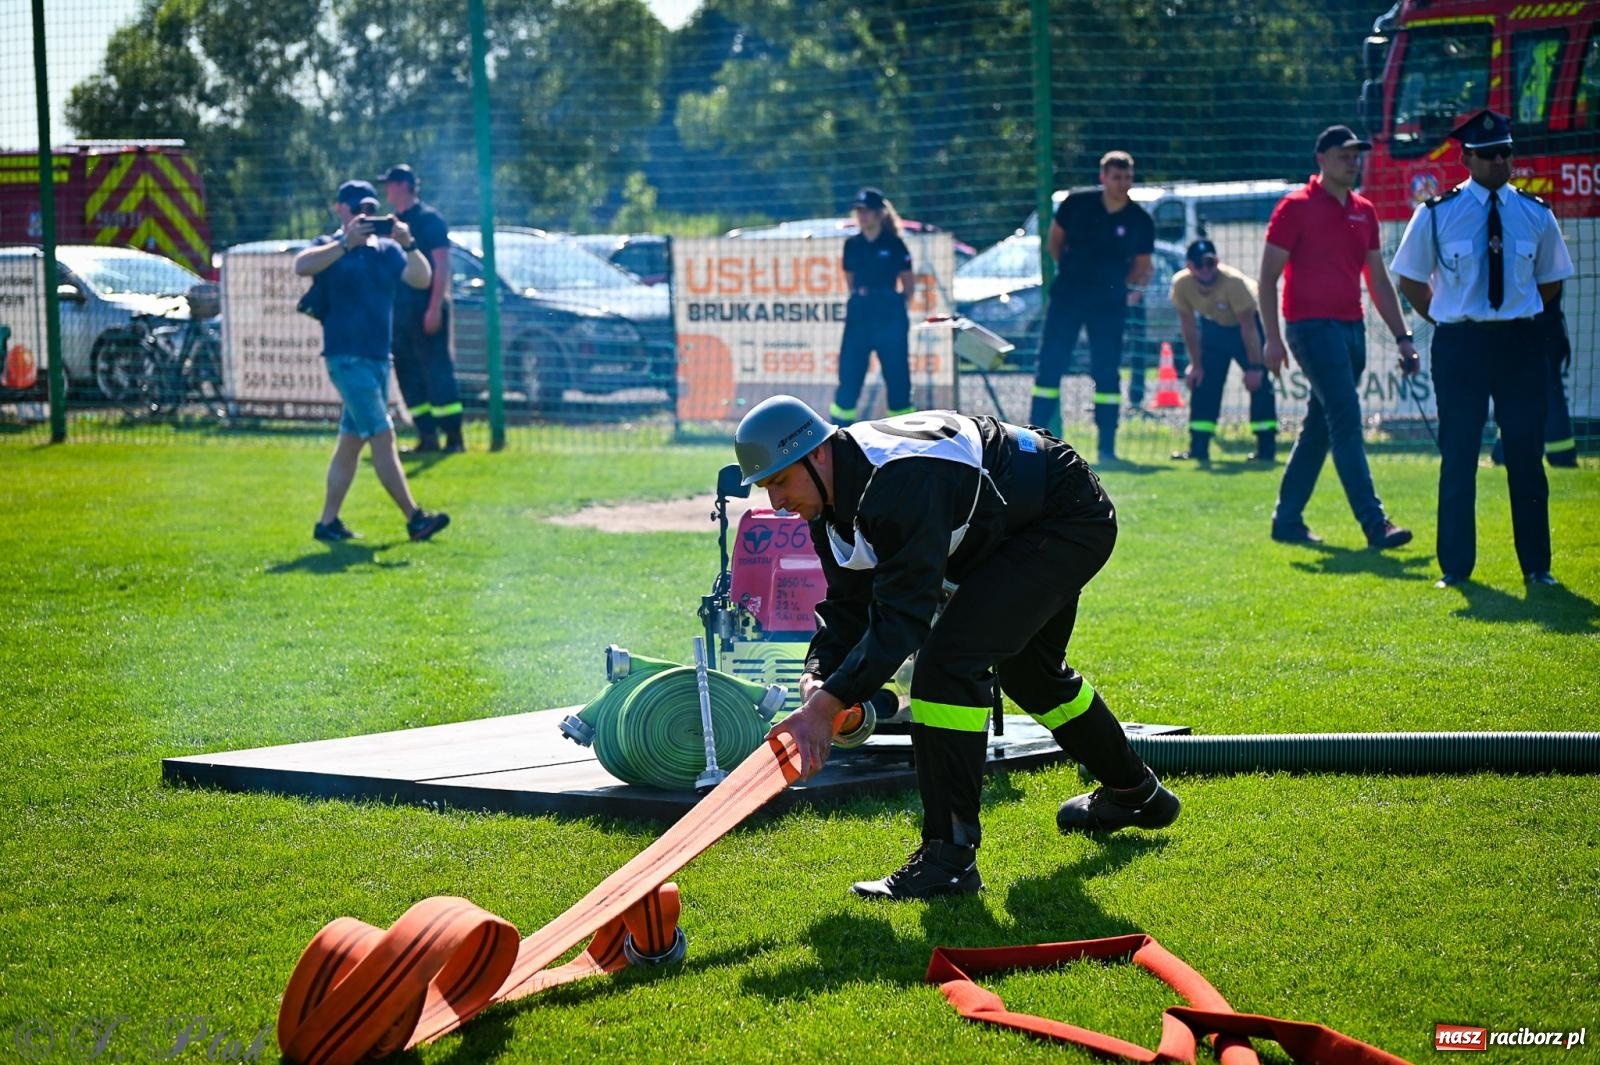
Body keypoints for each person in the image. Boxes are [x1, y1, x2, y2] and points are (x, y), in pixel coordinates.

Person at [734, 396, 1179, 901]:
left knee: (946, 667)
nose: (775, 503)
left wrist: (829, 705)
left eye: (778, 482)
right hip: (1019, 524)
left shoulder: (897, 482)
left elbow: (905, 618)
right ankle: (1137, 796)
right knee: (1031, 675)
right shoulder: (830, 500)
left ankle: (948, 862)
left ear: (815, 454)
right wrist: (820, 675)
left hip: (1064, 517)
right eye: (766, 488)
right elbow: (848, 606)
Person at [1389, 110, 1575, 589]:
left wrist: (1514, 314)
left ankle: (1537, 567)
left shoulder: (1536, 213)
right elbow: (1409, 278)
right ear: (1467, 157)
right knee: (1458, 455)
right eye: (1490, 154)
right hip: (1460, 345)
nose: (1500, 161)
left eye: (1506, 152)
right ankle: (1456, 568)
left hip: (1519, 341)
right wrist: (1448, 316)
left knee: (1527, 457)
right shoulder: (1437, 213)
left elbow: (1550, 282)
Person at [1260, 126, 1415, 549]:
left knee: (1319, 428)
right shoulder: (1294, 207)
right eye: (1344, 154)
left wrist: (1403, 337)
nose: (1354, 161)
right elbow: (1267, 278)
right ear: (1322, 159)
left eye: (1356, 154)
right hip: (1310, 329)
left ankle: (1286, 519)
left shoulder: (1365, 210)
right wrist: (1272, 339)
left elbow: (1379, 281)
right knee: (1346, 420)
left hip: (1351, 328)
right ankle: (1374, 523)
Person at [294, 180, 451, 544]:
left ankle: (327, 523)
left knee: (351, 443)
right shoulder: (329, 246)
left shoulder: (386, 250)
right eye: (357, 210)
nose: (364, 216)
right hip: (346, 359)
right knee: (383, 435)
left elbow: (421, 278)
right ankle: (414, 518)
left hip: (379, 359)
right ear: (341, 210)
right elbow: (301, 266)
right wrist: (346, 243)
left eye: (370, 210)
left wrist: (408, 243)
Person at [1029, 151, 1155, 462]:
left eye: (1127, 177)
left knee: (1107, 372)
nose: (1122, 183)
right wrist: (1075, 274)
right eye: (1116, 177)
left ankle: (1107, 447)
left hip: (1109, 304)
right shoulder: (1077, 204)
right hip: (1068, 296)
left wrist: (1122, 289)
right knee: (1050, 364)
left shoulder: (1139, 219)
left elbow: (1142, 265)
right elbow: (1054, 242)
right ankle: (1031, 443)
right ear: (1103, 177)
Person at [1168, 239, 1278, 466]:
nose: (1206, 269)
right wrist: (1196, 365)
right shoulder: (1181, 284)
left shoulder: (1234, 283)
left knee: (1260, 385)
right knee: (1203, 382)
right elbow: (1188, 327)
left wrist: (1255, 367)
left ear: (1217, 262)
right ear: (1189, 266)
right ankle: (1199, 448)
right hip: (1214, 329)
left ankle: (1266, 449)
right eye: (1200, 264)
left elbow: (1248, 327)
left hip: (1245, 331)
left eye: (1210, 262)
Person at [379, 164, 464, 453]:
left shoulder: (429, 220)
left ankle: (453, 438)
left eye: (390, 184)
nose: (386, 189)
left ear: (404, 185)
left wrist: (434, 307)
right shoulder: (392, 223)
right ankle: (427, 436)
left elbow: (442, 264)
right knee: (408, 373)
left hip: (425, 306)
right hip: (399, 311)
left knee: (437, 371)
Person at [831, 187, 915, 425]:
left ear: (879, 214)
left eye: (867, 211)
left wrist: (894, 308)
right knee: (850, 375)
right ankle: (838, 434)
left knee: (898, 377)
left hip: (890, 317)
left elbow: (908, 285)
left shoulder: (895, 244)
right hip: (860, 317)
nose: (862, 215)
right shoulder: (852, 245)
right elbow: (850, 282)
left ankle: (906, 435)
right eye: (859, 211)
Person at [1490, 287, 1579, 469]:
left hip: (1539, 334)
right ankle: (1504, 451)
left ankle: (1561, 456)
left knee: (1546, 395)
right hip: (1537, 333)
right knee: (1516, 395)